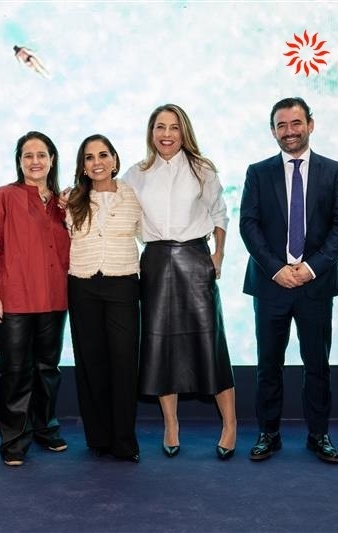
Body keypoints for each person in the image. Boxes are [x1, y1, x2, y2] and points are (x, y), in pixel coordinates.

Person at [122, 103, 237, 460]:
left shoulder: (203, 169)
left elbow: (220, 214)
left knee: (210, 344)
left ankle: (230, 424)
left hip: (195, 259)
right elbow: (115, 209)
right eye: (160, 127)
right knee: (160, 347)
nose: (167, 134)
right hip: (155, 262)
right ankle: (171, 425)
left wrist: (218, 255)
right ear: (151, 132)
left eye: (173, 127)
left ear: (184, 131)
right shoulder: (136, 174)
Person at [240, 97, 338, 464]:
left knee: (317, 365)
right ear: (273, 131)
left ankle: (319, 435)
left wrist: (311, 268)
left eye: (296, 123)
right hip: (270, 283)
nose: (290, 131)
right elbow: (249, 225)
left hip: (315, 284)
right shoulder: (258, 172)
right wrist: (277, 269)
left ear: (310, 125)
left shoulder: (334, 171)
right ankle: (268, 434)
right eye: (282, 125)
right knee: (267, 366)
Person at [0, 131, 71, 467]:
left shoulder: (63, 204)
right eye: (28, 155)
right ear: (19, 161)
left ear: (52, 160)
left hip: (55, 298)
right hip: (12, 297)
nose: (35, 161)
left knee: (48, 370)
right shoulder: (4, 196)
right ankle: (14, 440)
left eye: (41, 155)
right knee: (16, 371)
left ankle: (46, 428)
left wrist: (70, 210)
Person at [65, 134, 141, 463]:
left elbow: (149, 233)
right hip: (82, 284)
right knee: (91, 362)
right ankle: (98, 436)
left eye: (103, 155)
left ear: (114, 160)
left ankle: (124, 441)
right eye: (89, 157)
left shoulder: (133, 195)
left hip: (123, 283)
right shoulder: (71, 200)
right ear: (83, 166)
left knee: (124, 362)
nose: (97, 162)